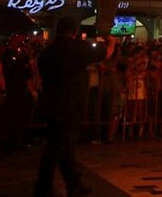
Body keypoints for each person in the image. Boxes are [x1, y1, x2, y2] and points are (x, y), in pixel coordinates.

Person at [35, 17, 117, 197]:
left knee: (61, 146)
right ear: (74, 31)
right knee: (58, 147)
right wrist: (112, 43)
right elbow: (105, 54)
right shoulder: (76, 48)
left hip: (51, 103)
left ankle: (72, 184)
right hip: (69, 104)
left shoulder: (48, 52)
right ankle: (45, 186)